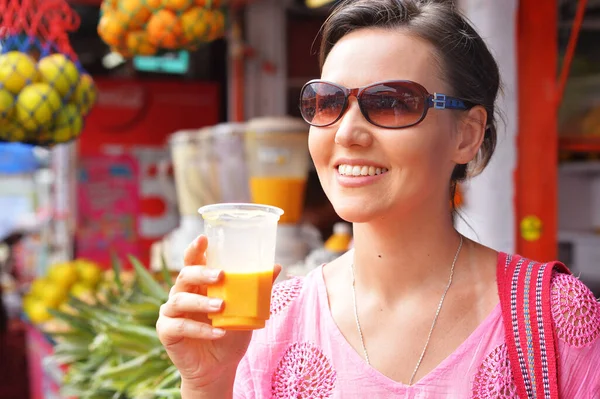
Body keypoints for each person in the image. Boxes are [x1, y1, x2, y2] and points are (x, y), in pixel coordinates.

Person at [156, 1, 600, 398]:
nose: (347, 132)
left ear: (466, 135)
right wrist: (208, 384)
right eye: (327, 102)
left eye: (391, 103)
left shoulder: (552, 318)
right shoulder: (269, 325)